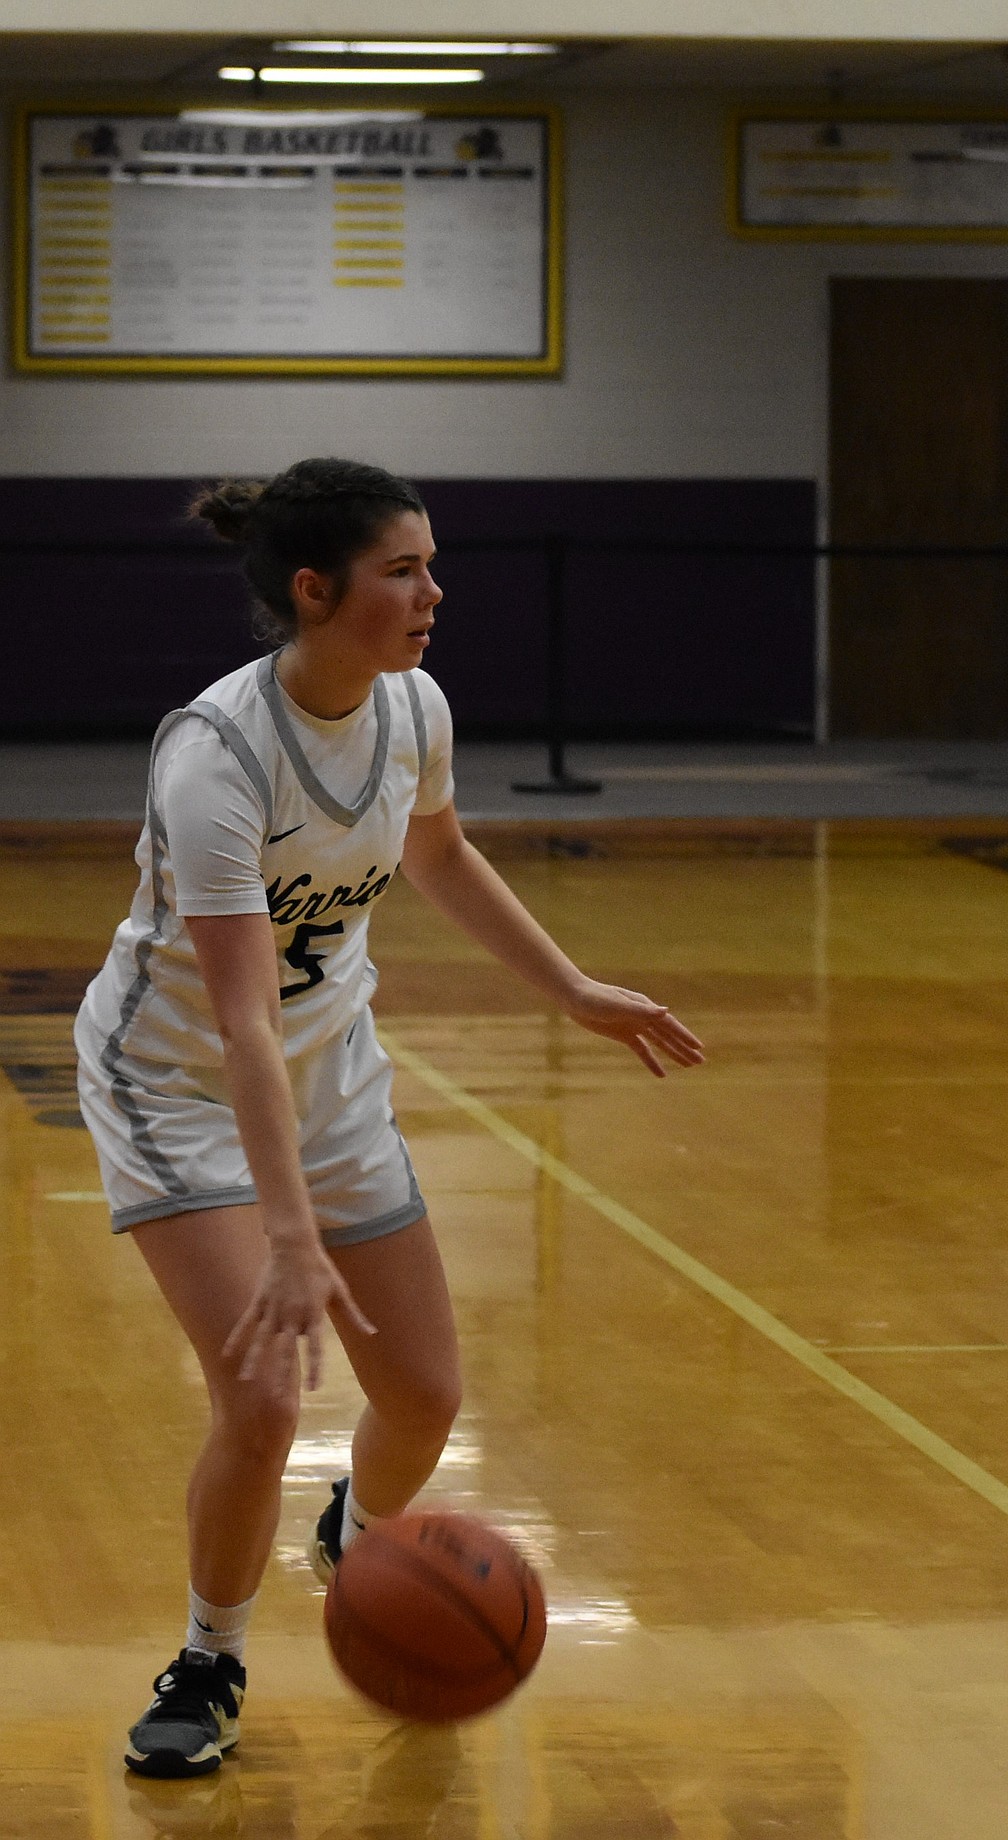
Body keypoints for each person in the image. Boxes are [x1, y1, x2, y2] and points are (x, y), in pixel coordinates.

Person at [73, 457, 704, 1780]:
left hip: (328, 1069)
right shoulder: (218, 754)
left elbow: (437, 852)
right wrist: (290, 1237)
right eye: (401, 570)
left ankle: (354, 1531)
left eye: (431, 563)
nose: (433, 591)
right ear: (315, 590)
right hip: (177, 1080)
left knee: (422, 1395)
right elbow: (239, 1018)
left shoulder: (412, 708)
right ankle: (207, 1659)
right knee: (256, 1394)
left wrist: (569, 985)